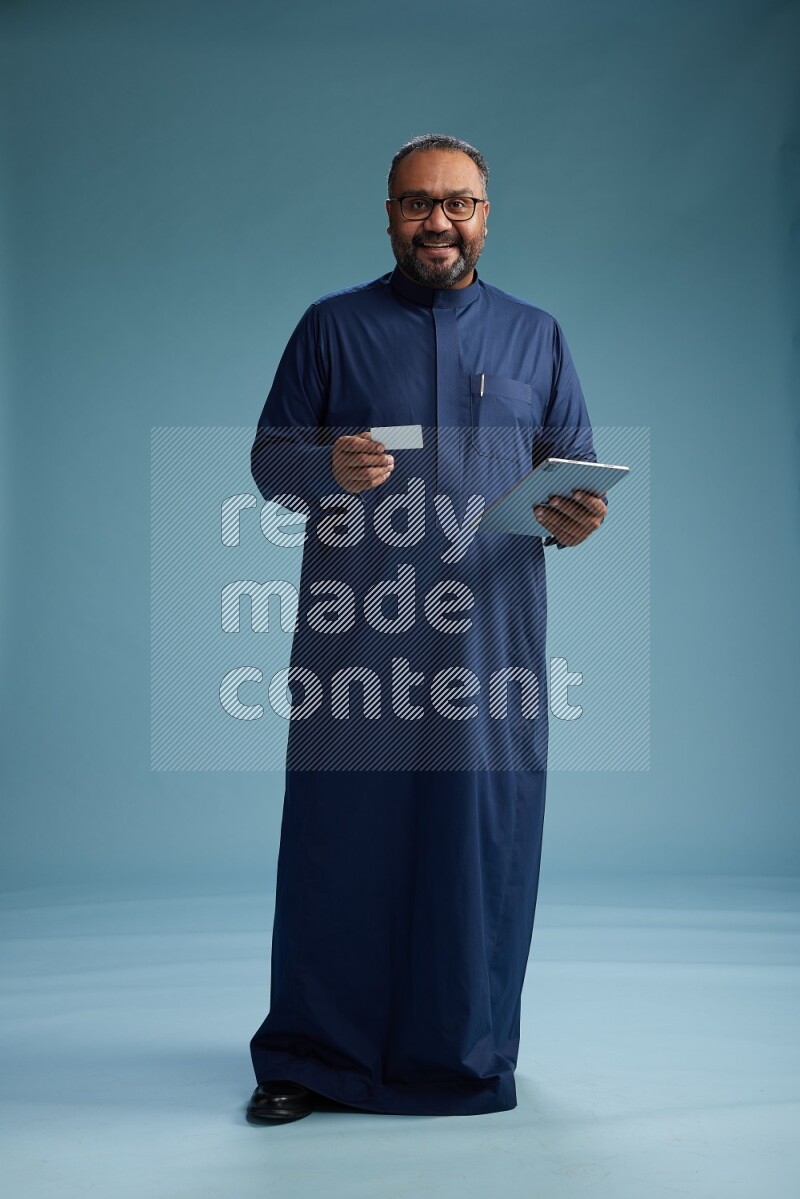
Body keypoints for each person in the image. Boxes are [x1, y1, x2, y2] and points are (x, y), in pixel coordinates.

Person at [245, 133, 607, 1124]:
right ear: (389, 214)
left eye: (456, 203)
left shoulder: (536, 336)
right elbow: (270, 455)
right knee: (337, 838)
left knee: (475, 841)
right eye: (415, 204)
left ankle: (464, 1052)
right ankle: (311, 1055)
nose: (435, 222)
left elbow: (569, 466)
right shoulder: (331, 327)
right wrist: (325, 469)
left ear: (486, 214)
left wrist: (572, 516)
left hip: (487, 645)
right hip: (355, 637)